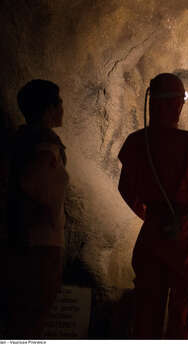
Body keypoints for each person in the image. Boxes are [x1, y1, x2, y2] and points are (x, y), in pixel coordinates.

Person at [118, 73, 188, 339]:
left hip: (152, 232)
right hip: (182, 234)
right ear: (172, 105)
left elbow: (126, 188)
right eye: (178, 102)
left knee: (147, 305)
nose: (179, 108)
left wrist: (149, 214)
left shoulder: (135, 142)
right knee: (181, 305)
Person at [6, 79, 69, 338]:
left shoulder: (20, 140)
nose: (63, 108)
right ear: (48, 109)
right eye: (60, 103)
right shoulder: (45, 144)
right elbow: (33, 182)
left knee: (20, 321)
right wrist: (48, 213)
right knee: (31, 322)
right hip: (40, 243)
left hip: (23, 240)